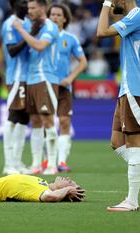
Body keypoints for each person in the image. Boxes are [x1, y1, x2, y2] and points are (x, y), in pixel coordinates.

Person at [97, 0, 140, 211]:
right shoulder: (133, 18)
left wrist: (105, 4)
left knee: (134, 144)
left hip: (138, 89)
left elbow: (101, 32)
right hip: (128, 89)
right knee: (116, 142)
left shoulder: (137, 16)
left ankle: (132, 201)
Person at [13, 0, 60, 175]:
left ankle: (52, 164)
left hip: (45, 78)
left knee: (48, 120)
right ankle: (36, 164)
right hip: (31, 80)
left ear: (42, 8)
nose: (29, 11)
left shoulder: (50, 27)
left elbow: (40, 46)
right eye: (29, 8)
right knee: (35, 122)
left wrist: (21, 30)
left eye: (33, 8)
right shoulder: (35, 28)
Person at [47, 3, 88, 172]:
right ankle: (46, 161)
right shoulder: (43, 37)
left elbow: (83, 62)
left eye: (58, 15)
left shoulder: (70, 39)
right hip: (45, 85)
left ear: (65, 18)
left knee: (64, 122)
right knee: (46, 123)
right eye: (52, 14)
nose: (55, 17)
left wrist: (70, 78)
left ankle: (62, 161)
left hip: (64, 86)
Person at [1, 0, 32, 175]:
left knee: (23, 119)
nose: (26, 4)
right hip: (16, 77)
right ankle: (8, 164)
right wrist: (30, 36)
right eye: (22, 1)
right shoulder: (9, 24)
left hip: (29, 78)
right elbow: (12, 50)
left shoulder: (27, 23)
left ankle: (18, 161)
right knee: (13, 116)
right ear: (13, 4)